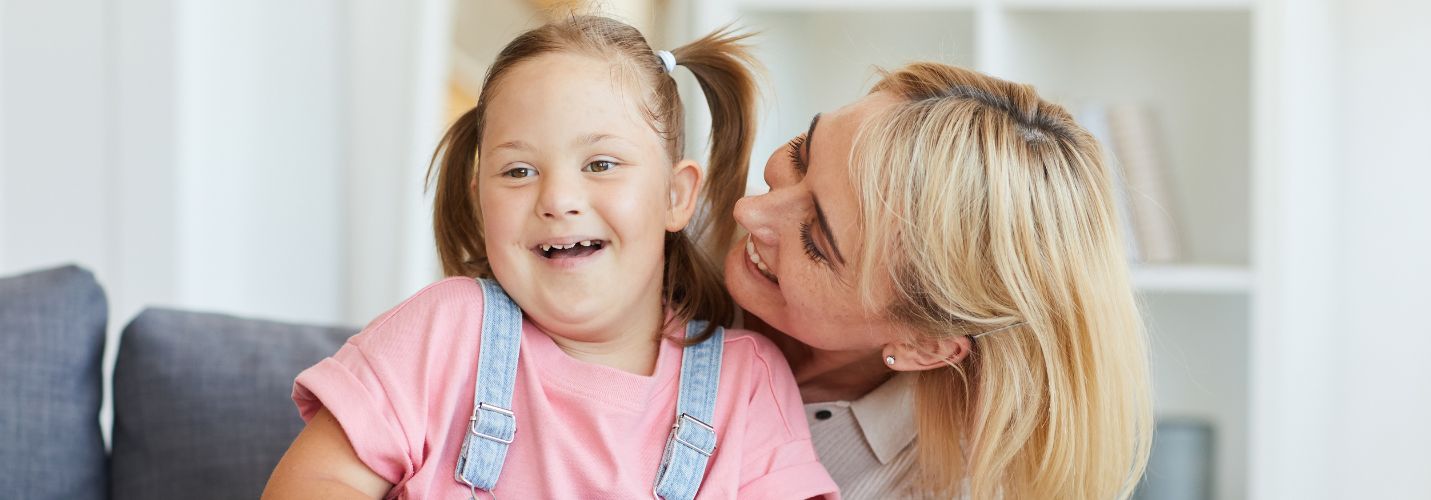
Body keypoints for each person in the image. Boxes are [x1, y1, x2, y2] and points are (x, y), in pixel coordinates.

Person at [262, 15, 838, 499]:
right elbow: (315, 481)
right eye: (518, 171)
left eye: (601, 164)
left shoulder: (747, 381)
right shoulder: (446, 329)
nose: (558, 199)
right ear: (482, 204)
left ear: (675, 195)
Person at [718, 62, 1153, 499]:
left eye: (815, 241)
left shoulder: (937, 488)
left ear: (923, 346)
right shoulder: (673, 230)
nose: (749, 212)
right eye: (801, 155)